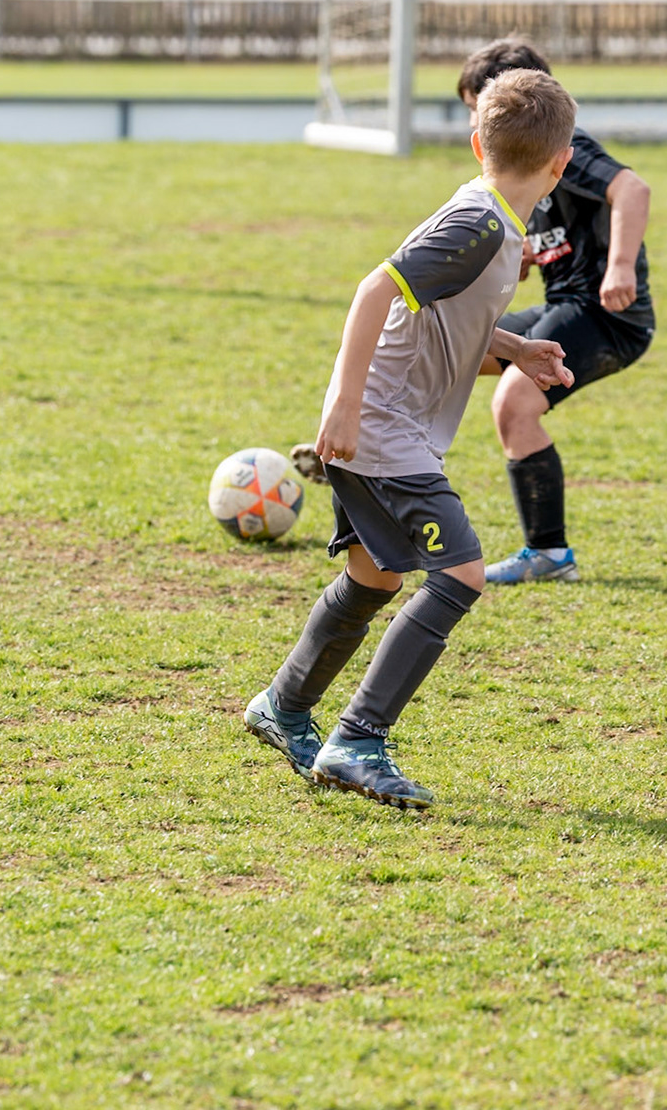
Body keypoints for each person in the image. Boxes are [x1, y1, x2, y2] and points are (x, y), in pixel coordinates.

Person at [244, 69, 579, 811]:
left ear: (477, 144)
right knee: (460, 574)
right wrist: (344, 404)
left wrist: (515, 349)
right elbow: (375, 290)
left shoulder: (492, 219)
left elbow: (444, 315)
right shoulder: (479, 226)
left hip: (384, 427)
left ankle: (283, 706)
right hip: (382, 430)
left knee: (374, 577)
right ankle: (358, 740)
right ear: (561, 162)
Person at [455, 38, 657, 586]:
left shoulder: (568, 145)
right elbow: (558, 232)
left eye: (475, 106)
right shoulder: (522, 162)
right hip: (565, 304)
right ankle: (387, 468)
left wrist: (620, 267)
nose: (472, 121)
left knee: (514, 403)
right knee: (454, 348)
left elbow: (632, 189)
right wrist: (526, 254)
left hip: (607, 314)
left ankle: (549, 553)